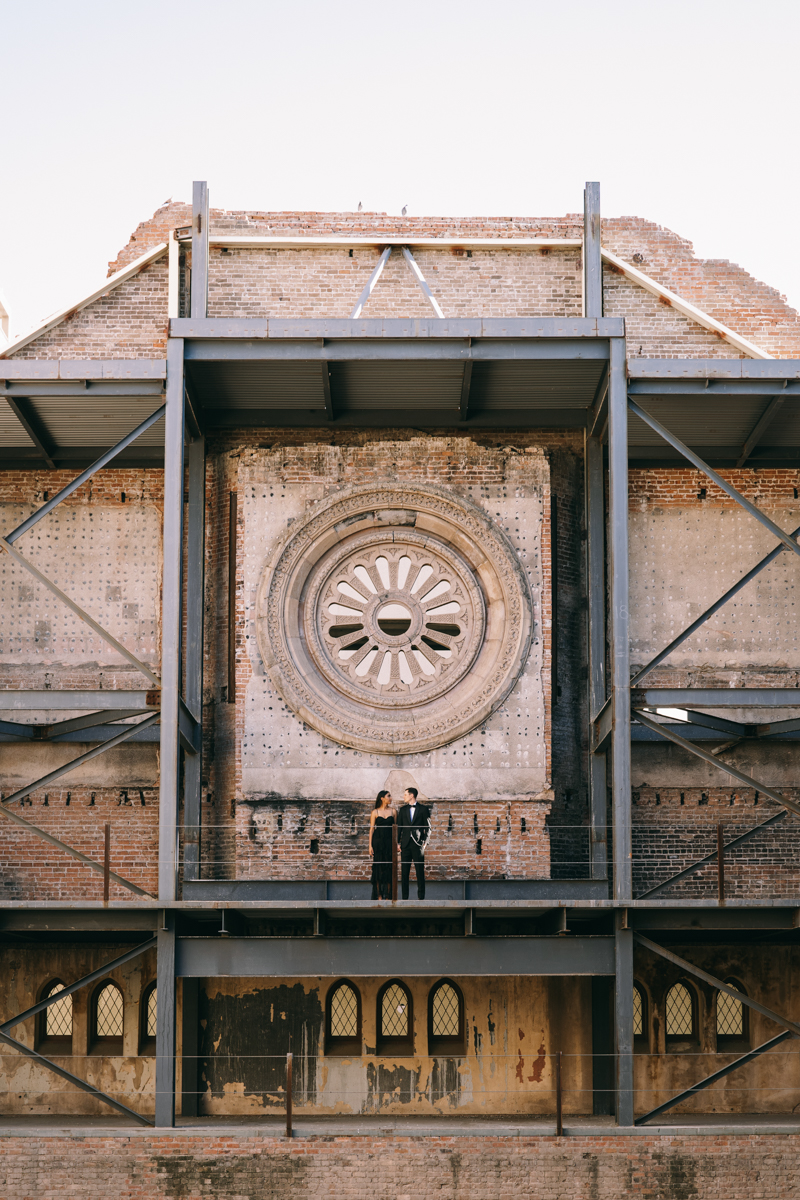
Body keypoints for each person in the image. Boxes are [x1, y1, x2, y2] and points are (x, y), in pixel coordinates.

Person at [397, 787, 431, 900]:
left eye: (405, 794)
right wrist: (397, 843)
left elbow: (428, 827)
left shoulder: (423, 809)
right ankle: (404, 898)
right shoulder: (402, 810)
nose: (403, 796)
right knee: (404, 873)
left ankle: (421, 898)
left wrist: (425, 842)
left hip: (418, 844)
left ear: (411, 795)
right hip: (405, 844)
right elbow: (399, 828)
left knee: (420, 872)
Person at [369, 789, 395, 900]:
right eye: (388, 796)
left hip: (389, 843)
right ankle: (379, 895)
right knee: (378, 868)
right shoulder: (375, 812)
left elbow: (396, 829)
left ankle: (388, 895)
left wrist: (396, 843)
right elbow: (371, 829)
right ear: (382, 798)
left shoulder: (393, 811)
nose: (391, 798)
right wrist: (370, 845)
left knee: (389, 867)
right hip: (378, 843)